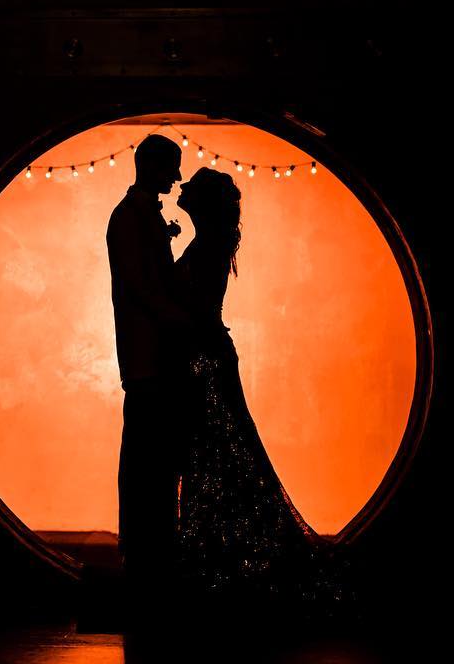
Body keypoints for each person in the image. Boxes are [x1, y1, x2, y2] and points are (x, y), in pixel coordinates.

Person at [172, 167, 350, 625]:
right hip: (206, 357)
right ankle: (217, 561)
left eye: (191, 185)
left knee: (219, 455)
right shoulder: (208, 240)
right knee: (217, 456)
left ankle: (219, 564)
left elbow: (192, 306)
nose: (182, 188)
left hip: (205, 361)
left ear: (205, 202)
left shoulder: (208, 244)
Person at [105, 134, 196, 626]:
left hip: (154, 359)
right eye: (171, 169)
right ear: (152, 166)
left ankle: (151, 553)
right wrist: (180, 319)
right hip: (147, 361)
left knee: (155, 462)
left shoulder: (138, 216)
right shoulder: (128, 219)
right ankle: (145, 555)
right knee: (146, 463)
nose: (176, 180)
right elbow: (139, 288)